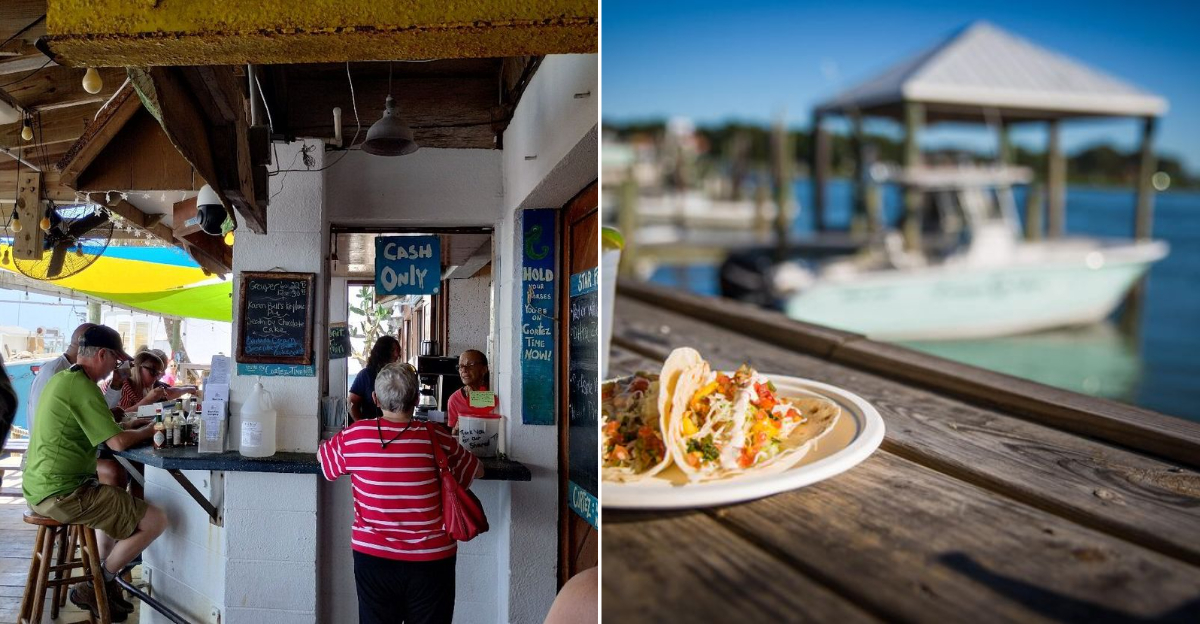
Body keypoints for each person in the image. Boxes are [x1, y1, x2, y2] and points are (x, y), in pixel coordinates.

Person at [319, 363, 483, 624]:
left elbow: (324, 460)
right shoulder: (435, 436)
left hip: (373, 556)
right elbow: (477, 470)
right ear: (416, 400)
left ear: (375, 399)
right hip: (432, 559)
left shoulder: (356, 436)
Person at [23, 325, 167, 621]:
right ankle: (99, 582)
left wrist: (126, 424)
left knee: (116, 493)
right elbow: (117, 442)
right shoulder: (83, 387)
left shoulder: (65, 379)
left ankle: (104, 584)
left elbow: (103, 427)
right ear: (102, 354)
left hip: (42, 487)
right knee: (156, 520)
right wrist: (154, 428)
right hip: (63, 494)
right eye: (116, 359)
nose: (117, 367)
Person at [25, 323, 128, 468]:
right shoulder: (55, 372)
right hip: (48, 460)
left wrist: (115, 386)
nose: (114, 367)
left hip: (59, 458)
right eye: (115, 361)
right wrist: (149, 430)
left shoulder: (73, 375)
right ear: (101, 354)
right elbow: (44, 424)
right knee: (113, 470)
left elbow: (90, 411)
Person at [349, 336, 401, 422]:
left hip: (396, 426)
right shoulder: (366, 375)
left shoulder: (399, 375)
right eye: (392, 350)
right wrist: (360, 423)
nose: (396, 355)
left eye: (398, 351)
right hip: (370, 426)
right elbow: (352, 402)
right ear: (382, 352)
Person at [446, 349, 499, 430]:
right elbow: (453, 434)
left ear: (484, 369)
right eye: (461, 366)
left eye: (470, 365)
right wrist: (457, 428)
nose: (464, 370)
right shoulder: (454, 399)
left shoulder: (496, 392)